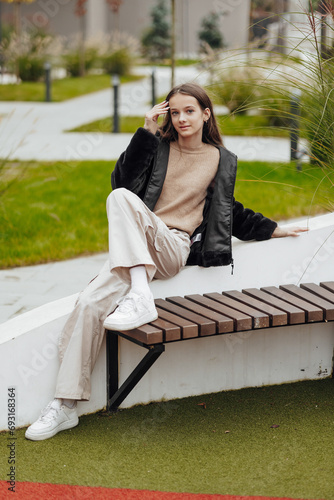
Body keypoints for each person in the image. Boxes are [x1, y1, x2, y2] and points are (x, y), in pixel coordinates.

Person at [25, 82, 307, 441]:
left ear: (206, 114)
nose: (182, 118)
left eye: (189, 111)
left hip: (172, 247)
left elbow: (228, 211)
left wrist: (274, 229)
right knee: (89, 303)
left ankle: (139, 297)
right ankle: (65, 406)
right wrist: (145, 131)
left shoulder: (219, 159)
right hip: (137, 251)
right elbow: (122, 182)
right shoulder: (158, 148)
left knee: (120, 200)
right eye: (174, 112)